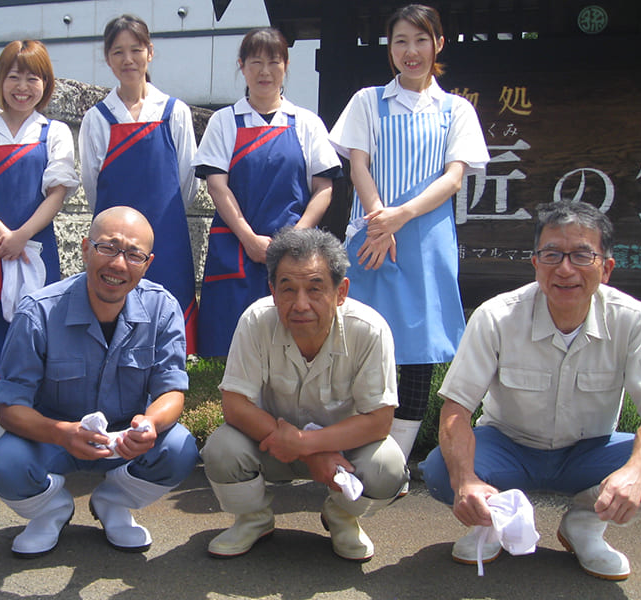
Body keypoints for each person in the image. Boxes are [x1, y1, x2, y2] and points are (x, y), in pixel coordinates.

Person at [420, 200, 641, 581]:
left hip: (589, 451)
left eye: (582, 256)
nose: (565, 269)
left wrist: (636, 470)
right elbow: (457, 409)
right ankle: (493, 517)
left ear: (607, 267)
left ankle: (585, 524)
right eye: (551, 254)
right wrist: (465, 479)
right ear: (535, 263)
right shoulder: (497, 315)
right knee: (440, 470)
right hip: (508, 446)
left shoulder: (633, 320)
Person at [0, 206, 199, 556]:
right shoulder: (38, 312)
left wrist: (150, 423)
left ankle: (114, 502)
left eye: (133, 254)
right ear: (85, 248)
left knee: (179, 448)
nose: (118, 264)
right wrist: (61, 433)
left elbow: (171, 390)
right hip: (52, 438)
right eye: (107, 248)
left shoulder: (163, 308)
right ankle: (51, 510)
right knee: (5, 465)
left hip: (123, 438)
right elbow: (9, 409)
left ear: (148, 263)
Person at [329, 4, 489, 459]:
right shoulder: (366, 101)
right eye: (401, 41)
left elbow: (454, 177)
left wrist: (399, 218)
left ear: (439, 44)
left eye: (421, 40)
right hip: (371, 239)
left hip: (425, 241)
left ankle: (393, 461)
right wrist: (380, 220)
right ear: (390, 48)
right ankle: (354, 450)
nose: (411, 51)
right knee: (361, 342)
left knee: (416, 351)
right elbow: (357, 164)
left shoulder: (454, 109)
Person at [201, 227, 408, 561]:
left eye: (315, 289)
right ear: (272, 290)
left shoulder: (369, 330)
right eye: (287, 288)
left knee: (387, 467)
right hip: (271, 445)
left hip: (343, 454)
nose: (300, 304)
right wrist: (308, 453)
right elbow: (235, 405)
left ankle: (342, 517)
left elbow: (379, 421)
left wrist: (309, 444)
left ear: (341, 292)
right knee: (222, 449)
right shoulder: (256, 320)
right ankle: (253, 519)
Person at [0, 39, 79, 477]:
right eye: (14, 75)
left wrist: (21, 236)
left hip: (35, 255)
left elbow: (57, 191)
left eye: (33, 77)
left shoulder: (54, 133)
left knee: (38, 349)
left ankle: (33, 442)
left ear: (45, 85)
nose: (22, 86)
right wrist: (1, 234)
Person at [193, 27, 341, 358]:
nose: (264, 71)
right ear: (241, 66)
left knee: (295, 326)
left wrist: (293, 239)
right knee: (231, 343)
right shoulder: (224, 121)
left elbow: (323, 188)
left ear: (286, 65)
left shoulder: (306, 123)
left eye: (273, 62)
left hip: (296, 244)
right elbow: (217, 185)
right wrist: (248, 238)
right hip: (236, 241)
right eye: (255, 62)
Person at [79, 14, 199, 353]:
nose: (127, 60)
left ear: (150, 52)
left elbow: (186, 179)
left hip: (167, 233)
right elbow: (92, 183)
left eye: (136, 50)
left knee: (170, 304)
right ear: (107, 59)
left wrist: (169, 214)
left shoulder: (174, 111)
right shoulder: (97, 117)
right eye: (118, 52)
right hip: (113, 237)